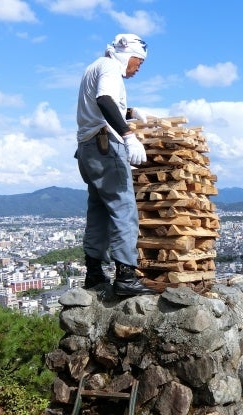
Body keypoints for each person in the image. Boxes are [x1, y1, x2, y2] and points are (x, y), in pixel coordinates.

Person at [75, 33, 155, 296]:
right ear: (128, 54)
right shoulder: (110, 67)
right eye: (138, 62)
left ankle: (94, 273)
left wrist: (130, 112)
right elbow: (104, 99)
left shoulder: (93, 67)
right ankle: (126, 277)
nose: (138, 67)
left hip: (87, 149)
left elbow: (98, 104)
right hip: (105, 145)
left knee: (98, 209)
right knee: (124, 209)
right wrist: (128, 135)